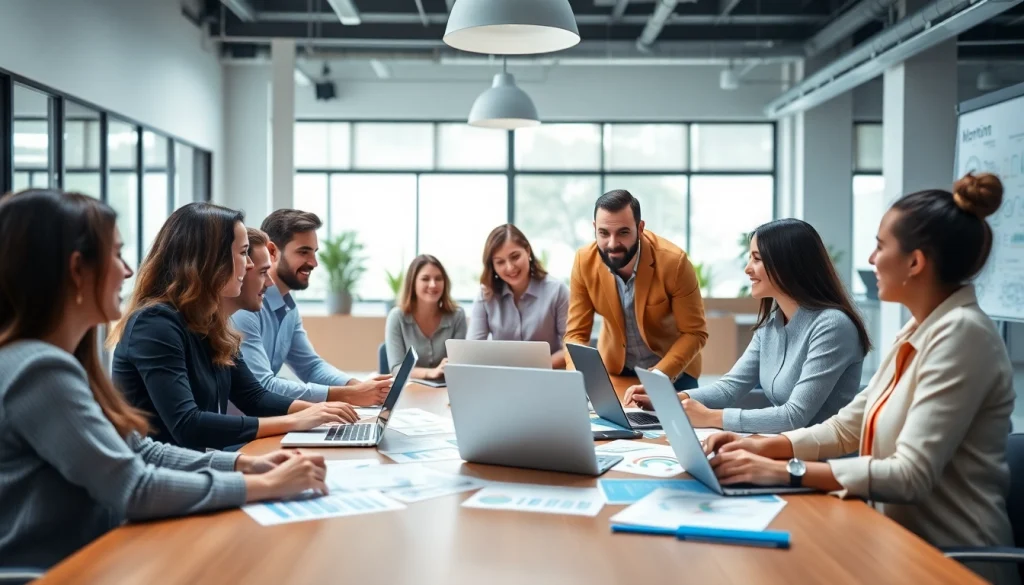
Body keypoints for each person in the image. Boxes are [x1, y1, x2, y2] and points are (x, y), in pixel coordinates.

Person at [704, 173, 1017, 585]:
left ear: (915, 262)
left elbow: (909, 474)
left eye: (880, 246)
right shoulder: (919, 330)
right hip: (893, 542)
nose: (870, 259)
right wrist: (761, 445)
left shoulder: (963, 335)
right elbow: (849, 423)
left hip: (949, 563)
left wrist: (785, 470)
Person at [0, 190, 329, 570]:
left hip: (99, 554)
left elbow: (138, 449)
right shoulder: (37, 371)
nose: (127, 270)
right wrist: (265, 486)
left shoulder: (69, 359)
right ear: (77, 270)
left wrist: (244, 466)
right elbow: (134, 485)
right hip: (57, 571)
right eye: (115, 254)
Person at [110, 203, 358, 451]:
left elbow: (254, 397)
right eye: (243, 253)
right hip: (162, 478)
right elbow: (188, 425)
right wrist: (295, 420)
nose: (249, 265)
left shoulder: (211, 323)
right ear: (210, 261)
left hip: (196, 466)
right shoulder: (154, 324)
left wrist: (321, 411)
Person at [624, 219, 870, 434]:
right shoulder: (772, 324)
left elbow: (794, 416)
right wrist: (669, 399)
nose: (747, 268)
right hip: (782, 448)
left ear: (788, 265)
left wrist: (713, 418)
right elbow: (731, 387)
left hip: (819, 466)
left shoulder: (832, 326)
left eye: (757, 259)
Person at [230, 212, 391, 405]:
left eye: (314, 252)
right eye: (303, 252)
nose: (314, 263)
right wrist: (348, 394)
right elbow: (262, 385)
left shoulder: (289, 308)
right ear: (273, 251)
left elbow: (311, 367)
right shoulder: (242, 309)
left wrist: (358, 387)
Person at [564, 189, 707, 390]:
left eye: (623, 232)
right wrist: (575, 378)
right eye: (604, 233)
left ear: (640, 228)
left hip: (672, 371)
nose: (612, 244)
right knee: (609, 421)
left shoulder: (674, 263)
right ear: (594, 228)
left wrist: (657, 376)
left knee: (674, 422)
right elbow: (576, 334)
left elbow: (694, 333)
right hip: (617, 368)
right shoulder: (583, 261)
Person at [467, 224, 570, 368]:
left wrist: (536, 368)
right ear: (493, 266)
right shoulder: (485, 295)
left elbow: (571, 348)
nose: (510, 267)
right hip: (502, 379)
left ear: (527, 251)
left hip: (548, 376)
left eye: (515, 257)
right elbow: (472, 351)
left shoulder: (557, 290)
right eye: (500, 262)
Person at [385, 254, 467, 380]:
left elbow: (458, 364)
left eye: (438, 279)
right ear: (412, 283)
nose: (433, 284)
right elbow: (397, 368)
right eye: (425, 279)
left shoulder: (457, 316)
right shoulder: (397, 317)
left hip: (446, 391)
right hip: (411, 392)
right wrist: (430, 372)